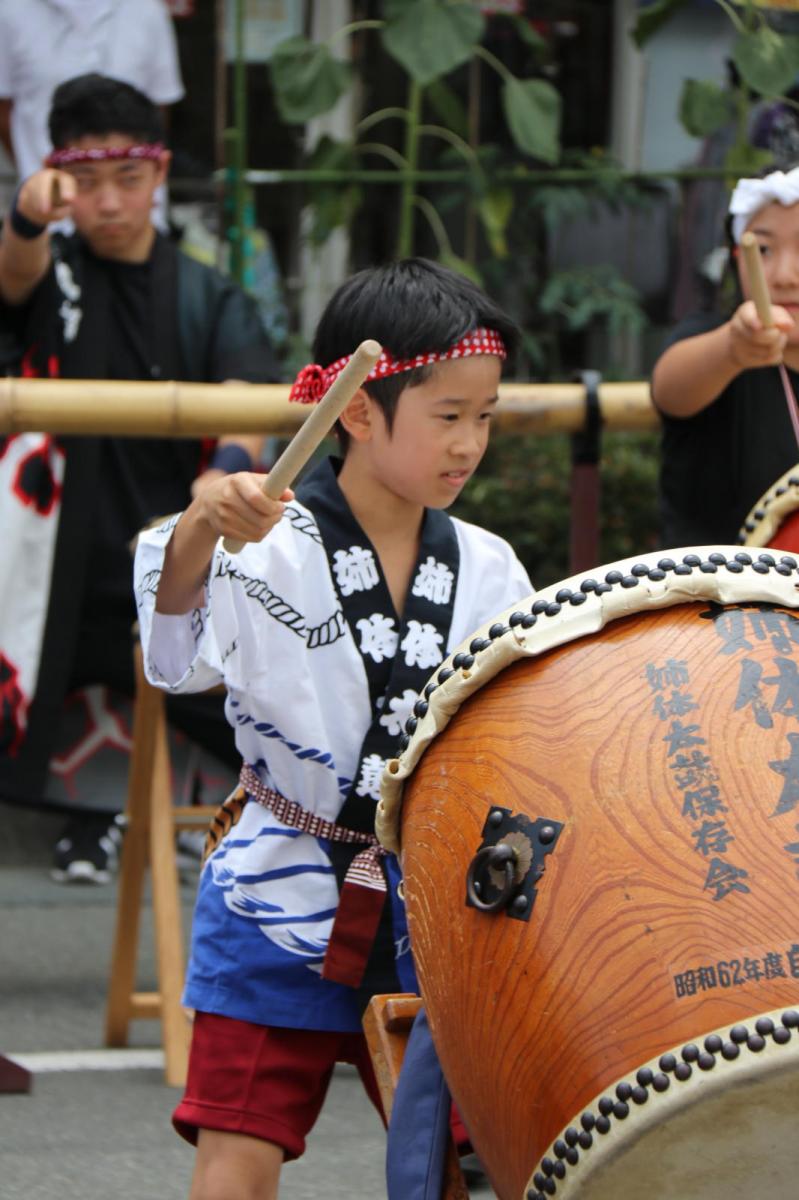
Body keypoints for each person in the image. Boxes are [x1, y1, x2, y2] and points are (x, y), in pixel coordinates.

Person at [132, 257, 533, 1198]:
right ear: (357, 411)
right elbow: (171, 650)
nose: (468, 443)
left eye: (484, 417)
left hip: (433, 892)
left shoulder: (488, 565)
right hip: (280, 877)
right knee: (240, 1139)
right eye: (446, 417)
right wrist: (201, 521)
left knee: (463, 1154)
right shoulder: (259, 540)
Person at [0, 73, 280, 882]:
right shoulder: (47, 273)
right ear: (58, 183)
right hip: (59, 549)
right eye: (85, 183)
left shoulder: (205, 291)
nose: (110, 203)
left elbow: (245, 397)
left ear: (158, 177)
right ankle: (83, 819)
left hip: (174, 543)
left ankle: (197, 810)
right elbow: (10, 281)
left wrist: (222, 477)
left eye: (128, 179)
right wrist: (25, 215)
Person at [652, 165, 799, 547]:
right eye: (762, 250)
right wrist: (734, 349)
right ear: (739, 257)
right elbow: (669, 389)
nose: (784, 275)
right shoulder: (714, 338)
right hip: (716, 601)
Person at [0, 0, 183, 227]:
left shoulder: (147, 10)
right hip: (50, 216)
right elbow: (4, 111)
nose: (108, 204)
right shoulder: (10, 11)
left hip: (137, 221)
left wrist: (129, 176)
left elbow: (159, 110)